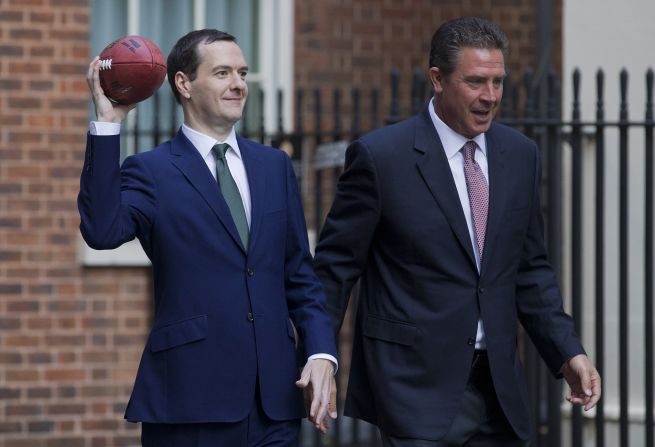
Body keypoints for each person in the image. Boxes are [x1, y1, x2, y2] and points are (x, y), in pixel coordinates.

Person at [313, 17, 601, 446]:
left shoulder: (521, 155)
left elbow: (530, 271)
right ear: (438, 79)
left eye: (498, 82)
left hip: (500, 393)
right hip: (413, 392)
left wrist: (568, 352)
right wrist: (321, 355)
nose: (490, 97)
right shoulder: (381, 157)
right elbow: (334, 271)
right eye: (475, 82)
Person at [79, 29, 337, 446]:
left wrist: (321, 353)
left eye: (242, 72)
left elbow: (300, 278)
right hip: (189, 400)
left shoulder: (274, 166)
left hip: (275, 403)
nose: (238, 84)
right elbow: (102, 231)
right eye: (222, 73)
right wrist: (109, 126)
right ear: (183, 83)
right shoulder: (152, 171)